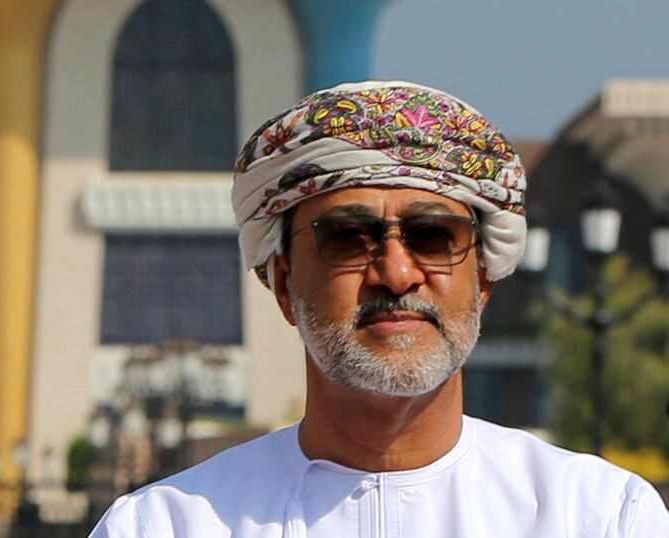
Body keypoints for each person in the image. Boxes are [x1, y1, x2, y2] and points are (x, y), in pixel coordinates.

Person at [89, 81, 669, 537]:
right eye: (347, 238)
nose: (396, 273)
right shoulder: (170, 525)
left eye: (433, 237)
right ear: (285, 284)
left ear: (484, 281)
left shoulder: (595, 516)